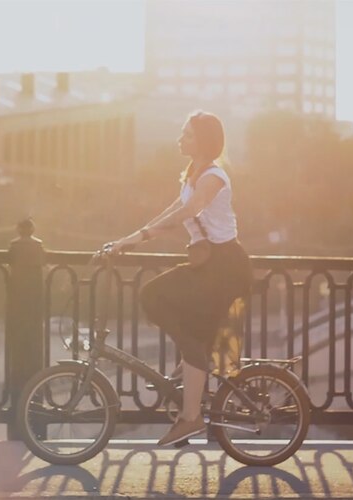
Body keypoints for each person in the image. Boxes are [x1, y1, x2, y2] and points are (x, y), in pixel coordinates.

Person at [106, 110, 252, 446]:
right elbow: (170, 211)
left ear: (202, 140)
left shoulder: (213, 176)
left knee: (153, 295)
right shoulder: (192, 174)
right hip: (211, 267)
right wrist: (129, 239)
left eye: (186, 134)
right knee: (161, 302)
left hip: (225, 268)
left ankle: (190, 416)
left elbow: (190, 210)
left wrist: (139, 236)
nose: (180, 139)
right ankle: (193, 357)